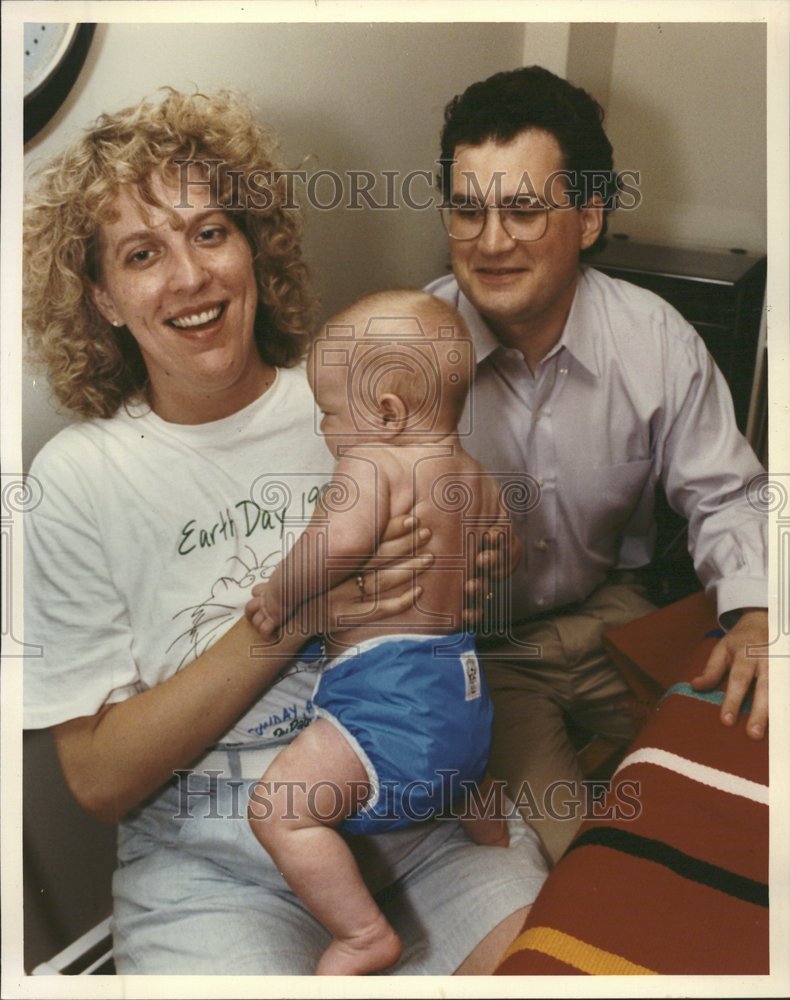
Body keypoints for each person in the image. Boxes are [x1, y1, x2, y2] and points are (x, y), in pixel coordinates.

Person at [21, 89, 548, 976]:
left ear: (255, 248)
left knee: (567, 967)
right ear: (104, 299)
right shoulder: (75, 480)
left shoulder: (357, 394)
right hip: (218, 872)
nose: (188, 277)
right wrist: (295, 618)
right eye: (142, 254)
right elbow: (101, 782)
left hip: (427, 821)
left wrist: (483, 559)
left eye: (210, 233)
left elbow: (470, 551)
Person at [426, 65, 769, 862]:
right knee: (585, 863)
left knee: (743, 788)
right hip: (488, 653)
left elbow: (730, 494)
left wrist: (756, 618)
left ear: (587, 217)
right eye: (468, 211)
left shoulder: (655, 337)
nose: (491, 242)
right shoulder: (408, 353)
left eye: (522, 210)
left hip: (622, 612)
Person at [244, 289, 511, 975]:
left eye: (330, 413)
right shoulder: (475, 478)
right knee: (468, 783)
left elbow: (333, 545)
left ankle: (363, 934)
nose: (328, 431)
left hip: (390, 699)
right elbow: (498, 553)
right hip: (466, 695)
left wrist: (280, 594)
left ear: (387, 413)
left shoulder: (372, 464)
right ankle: (498, 855)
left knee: (280, 811)